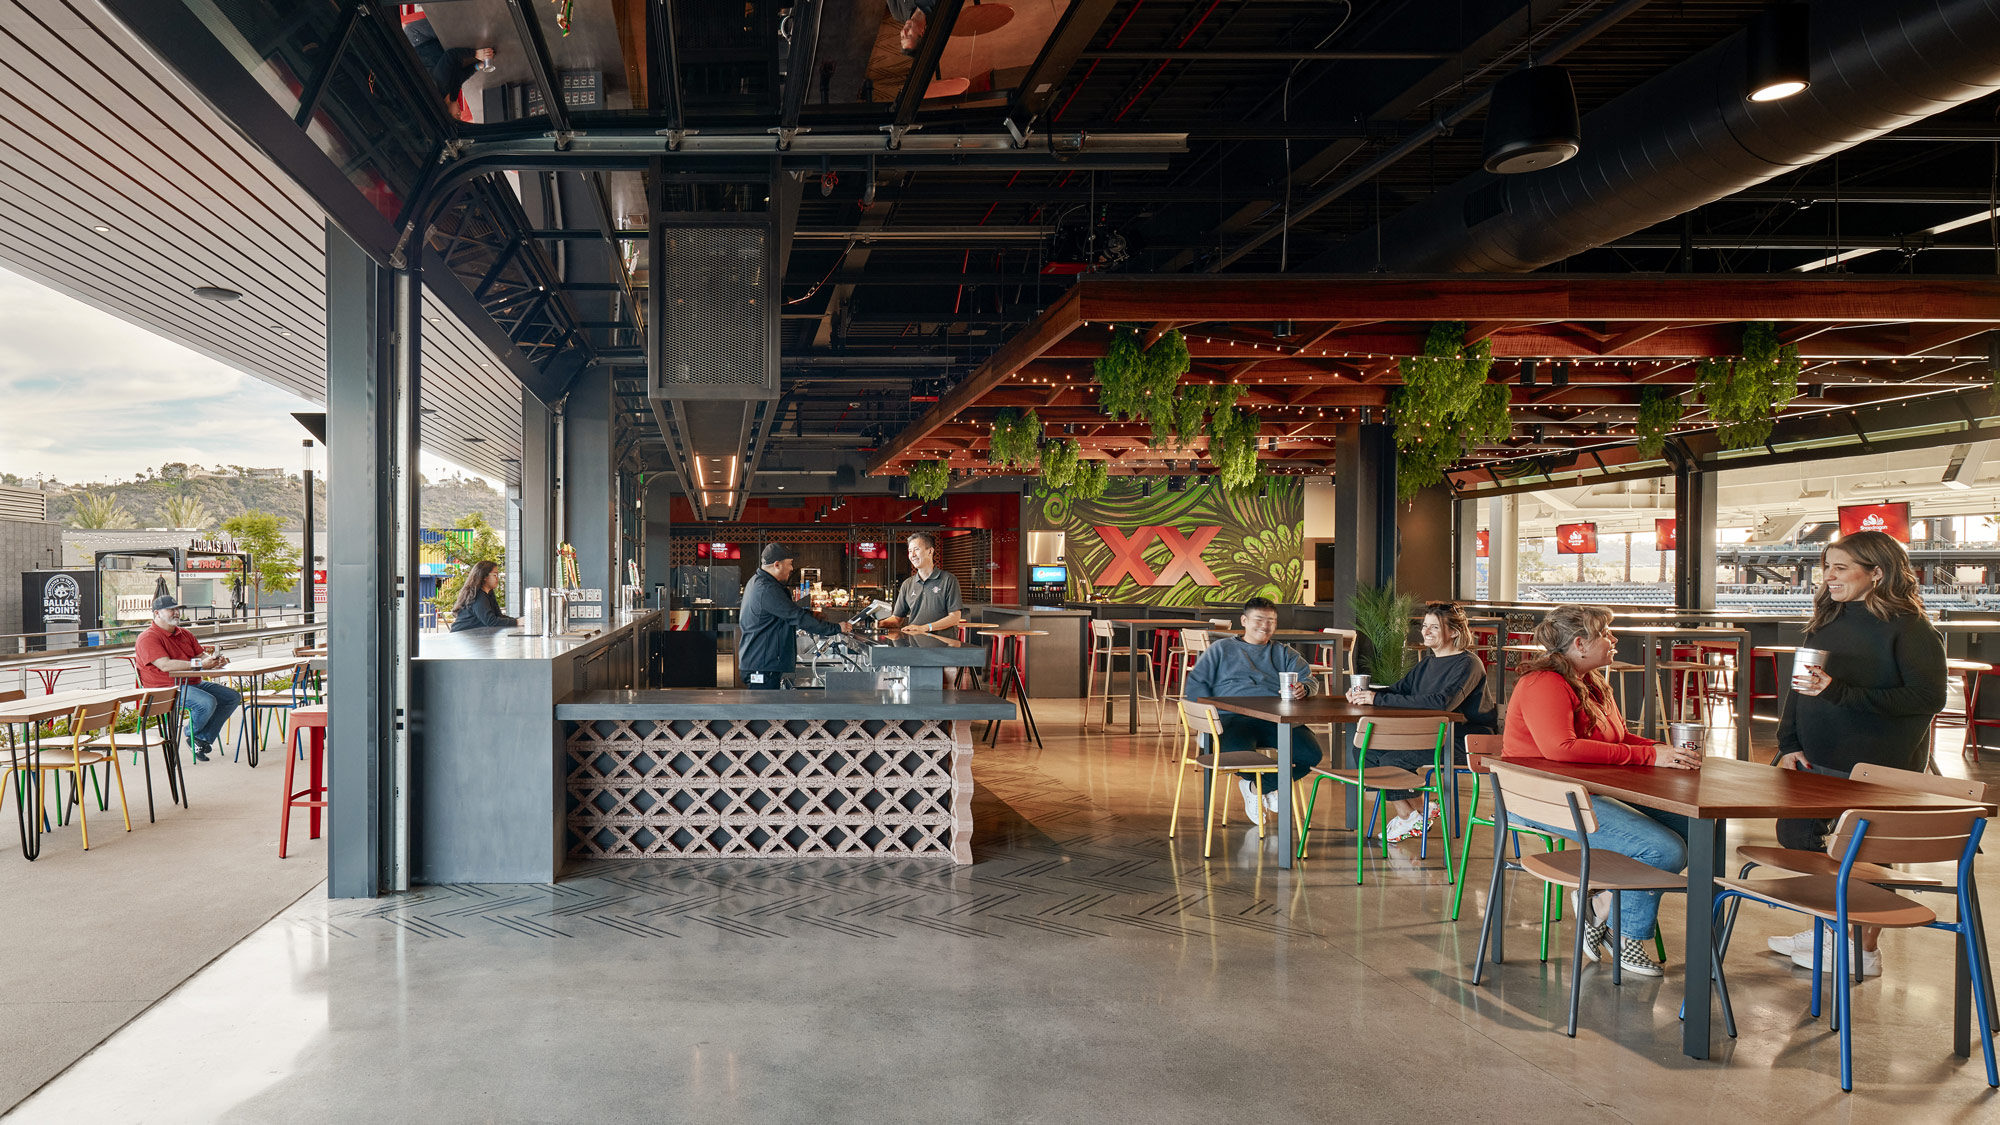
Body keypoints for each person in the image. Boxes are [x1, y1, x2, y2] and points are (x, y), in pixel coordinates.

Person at [1767, 529, 1946, 978]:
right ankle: (1830, 925)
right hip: (1813, 758)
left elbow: (1927, 699)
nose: (1828, 576)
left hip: (1877, 765)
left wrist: (1842, 693)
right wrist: (1788, 744)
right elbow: (1800, 691)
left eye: (1840, 568)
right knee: (1796, 839)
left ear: (1877, 573)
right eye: (1826, 567)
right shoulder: (1827, 620)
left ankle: (1863, 948)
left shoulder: (1912, 629)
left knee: (1866, 855)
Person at [1503, 604, 1698, 978]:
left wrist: (1664, 752)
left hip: (1584, 791)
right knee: (1661, 849)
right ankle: (1624, 935)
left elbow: (1619, 738)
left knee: (1699, 831)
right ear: (1580, 643)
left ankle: (1601, 905)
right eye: (1606, 633)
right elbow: (1560, 748)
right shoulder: (1543, 683)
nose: (1614, 639)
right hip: (1541, 799)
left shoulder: (1591, 681)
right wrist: (1647, 757)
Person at [1346, 601, 1498, 842]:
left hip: (1467, 741)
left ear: (1454, 632)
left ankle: (1416, 811)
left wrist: (1378, 699)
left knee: (1391, 759)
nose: (1425, 632)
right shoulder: (1429, 662)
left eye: (1434, 627)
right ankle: (1413, 811)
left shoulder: (1469, 664)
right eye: (1424, 626)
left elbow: (1442, 703)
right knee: (1365, 750)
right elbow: (1398, 691)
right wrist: (1365, 695)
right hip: (1433, 735)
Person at [1180, 597, 1322, 826]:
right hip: (1231, 719)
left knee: (1310, 754)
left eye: (1271, 621)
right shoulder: (1221, 649)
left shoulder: (1284, 653)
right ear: (1244, 621)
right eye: (1259, 619)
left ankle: (1257, 787)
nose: (1265, 625)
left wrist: (1303, 689)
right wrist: (1203, 724)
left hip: (1276, 719)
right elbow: (1196, 685)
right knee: (1238, 755)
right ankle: (1267, 786)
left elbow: (1309, 680)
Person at [135, 594, 238, 762]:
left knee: (231, 697)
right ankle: (191, 733)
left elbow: (201, 655)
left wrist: (215, 661)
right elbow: (165, 665)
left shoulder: (185, 634)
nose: (176, 613)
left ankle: (200, 738)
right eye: (170, 609)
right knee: (206, 703)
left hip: (191, 682)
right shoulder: (148, 637)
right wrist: (201, 664)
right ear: (157, 613)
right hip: (164, 689)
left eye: (177, 609)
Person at [738, 542, 853, 690]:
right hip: (762, 665)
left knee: (768, 711)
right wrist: (836, 628)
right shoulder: (766, 589)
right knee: (764, 711)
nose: (792, 569)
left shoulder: (759, 583)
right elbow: (796, 617)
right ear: (777, 565)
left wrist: (812, 615)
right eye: (790, 564)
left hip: (762, 662)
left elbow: (784, 612)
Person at [878, 531, 971, 687]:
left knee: (945, 694)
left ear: (930, 551)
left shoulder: (948, 580)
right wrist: (877, 624)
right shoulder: (908, 584)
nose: (912, 554)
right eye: (909, 551)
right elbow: (897, 619)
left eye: (916, 549)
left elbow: (954, 617)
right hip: (914, 650)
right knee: (915, 693)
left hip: (943, 649)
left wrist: (924, 628)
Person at [400, 6, 495, 121]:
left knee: (450, 27)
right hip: (436, 50)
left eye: (457, 115)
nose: (460, 113)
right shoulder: (452, 97)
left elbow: (451, 55)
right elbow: (460, 78)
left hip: (419, 38)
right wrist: (477, 66)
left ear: (446, 111)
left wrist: (475, 54)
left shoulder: (439, 86)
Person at [448, 561, 517, 632]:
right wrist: (517, 622)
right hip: (462, 637)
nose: (497, 578)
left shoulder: (489, 593)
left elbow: (498, 616)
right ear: (484, 576)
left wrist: (518, 620)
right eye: (494, 575)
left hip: (474, 637)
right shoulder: (478, 595)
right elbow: (491, 621)